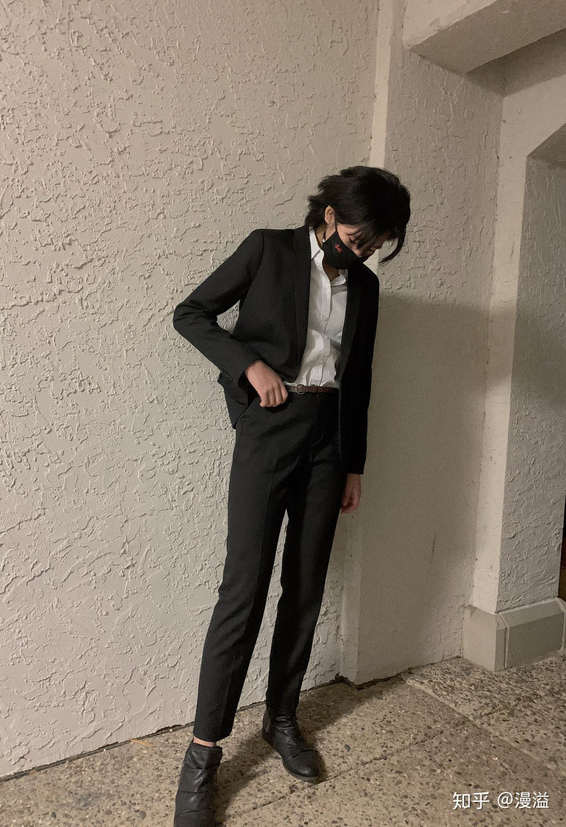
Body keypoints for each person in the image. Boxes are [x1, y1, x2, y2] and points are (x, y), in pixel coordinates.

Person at [171, 165, 411, 827]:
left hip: (328, 440)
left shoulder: (366, 286)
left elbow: (359, 376)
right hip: (270, 428)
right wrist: (248, 365)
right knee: (243, 588)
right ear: (330, 214)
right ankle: (203, 754)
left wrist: (354, 463)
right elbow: (190, 314)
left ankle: (282, 718)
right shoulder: (268, 249)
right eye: (359, 238)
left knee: (305, 586)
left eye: (376, 245)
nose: (364, 252)